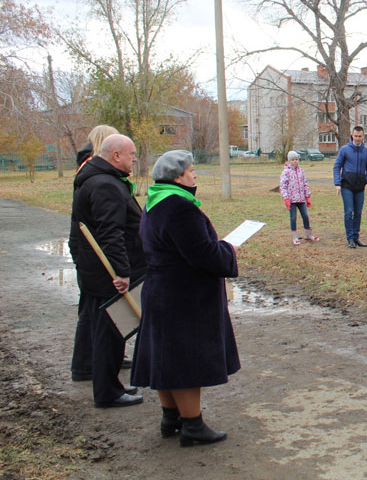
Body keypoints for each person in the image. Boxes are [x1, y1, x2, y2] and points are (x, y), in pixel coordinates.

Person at [132, 150, 239, 446]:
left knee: (165, 357)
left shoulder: (155, 202)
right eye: (192, 171)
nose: (195, 176)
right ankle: (192, 425)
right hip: (183, 296)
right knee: (185, 361)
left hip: (161, 290)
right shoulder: (179, 207)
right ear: (178, 176)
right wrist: (228, 250)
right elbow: (201, 254)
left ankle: (171, 417)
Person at [68, 134, 145, 407]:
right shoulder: (104, 185)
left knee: (108, 331)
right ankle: (108, 392)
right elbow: (110, 234)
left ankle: (110, 386)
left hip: (95, 271)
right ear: (116, 156)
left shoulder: (98, 179)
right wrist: (122, 272)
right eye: (132, 154)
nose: (135, 159)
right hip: (107, 274)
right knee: (110, 333)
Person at [71, 124, 121, 383]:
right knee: (93, 311)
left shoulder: (89, 169)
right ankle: (85, 365)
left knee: (95, 311)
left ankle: (103, 359)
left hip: (84, 249)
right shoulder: (95, 172)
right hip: (90, 252)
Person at [333, 126, 367, 248]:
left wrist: (366, 180)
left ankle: (356, 237)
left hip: (360, 187)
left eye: (360, 136)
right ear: (352, 135)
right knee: (349, 212)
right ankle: (350, 238)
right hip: (347, 186)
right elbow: (336, 166)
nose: (357, 138)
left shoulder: (366, 152)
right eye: (355, 136)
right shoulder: (344, 150)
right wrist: (337, 183)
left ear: (363, 136)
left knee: (358, 212)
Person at [280, 151, 316, 245]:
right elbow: (283, 186)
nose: (295, 161)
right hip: (292, 200)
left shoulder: (301, 171)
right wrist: (286, 199)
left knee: (305, 216)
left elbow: (305, 184)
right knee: (293, 218)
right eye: (293, 160)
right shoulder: (286, 172)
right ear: (289, 160)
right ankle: (295, 237)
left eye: (296, 159)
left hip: (301, 199)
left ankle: (308, 235)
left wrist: (307, 197)